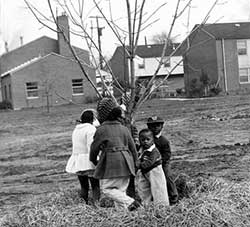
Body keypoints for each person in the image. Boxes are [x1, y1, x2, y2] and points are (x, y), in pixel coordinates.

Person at [90, 106, 140, 211]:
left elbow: (94, 149)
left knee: (106, 189)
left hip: (111, 162)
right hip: (127, 161)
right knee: (120, 192)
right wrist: (135, 162)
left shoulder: (101, 130)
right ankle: (123, 216)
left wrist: (94, 160)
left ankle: (131, 202)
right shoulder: (124, 129)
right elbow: (133, 148)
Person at [66, 109, 100, 205]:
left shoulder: (76, 129)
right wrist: (96, 160)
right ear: (93, 119)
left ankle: (83, 205)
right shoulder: (91, 129)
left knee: (84, 186)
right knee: (95, 186)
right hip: (88, 161)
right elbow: (91, 147)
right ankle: (96, 205)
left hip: (78, 161)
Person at [147, 116, 179, 205]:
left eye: (157, 125)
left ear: (162, 126)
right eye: (152, 126)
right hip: (150, 163)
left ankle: (174, 197)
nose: (155, 128)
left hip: (162, 163)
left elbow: (167, 155)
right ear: (148, 127)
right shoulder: (148, 139)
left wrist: (159, 162)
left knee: (167, 176)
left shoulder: (164, 141)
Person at [136, 128, 169, 205]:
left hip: (155, 171)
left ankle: (162, 206)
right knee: (143, 188)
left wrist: (139, 165)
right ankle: (145, 204)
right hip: (144, 172)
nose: (145, 142)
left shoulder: (154, 151)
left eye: (148, 139)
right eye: (143, 140)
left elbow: (149, 163)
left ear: (153, 140)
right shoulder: (141, 149)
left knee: (158, 188)